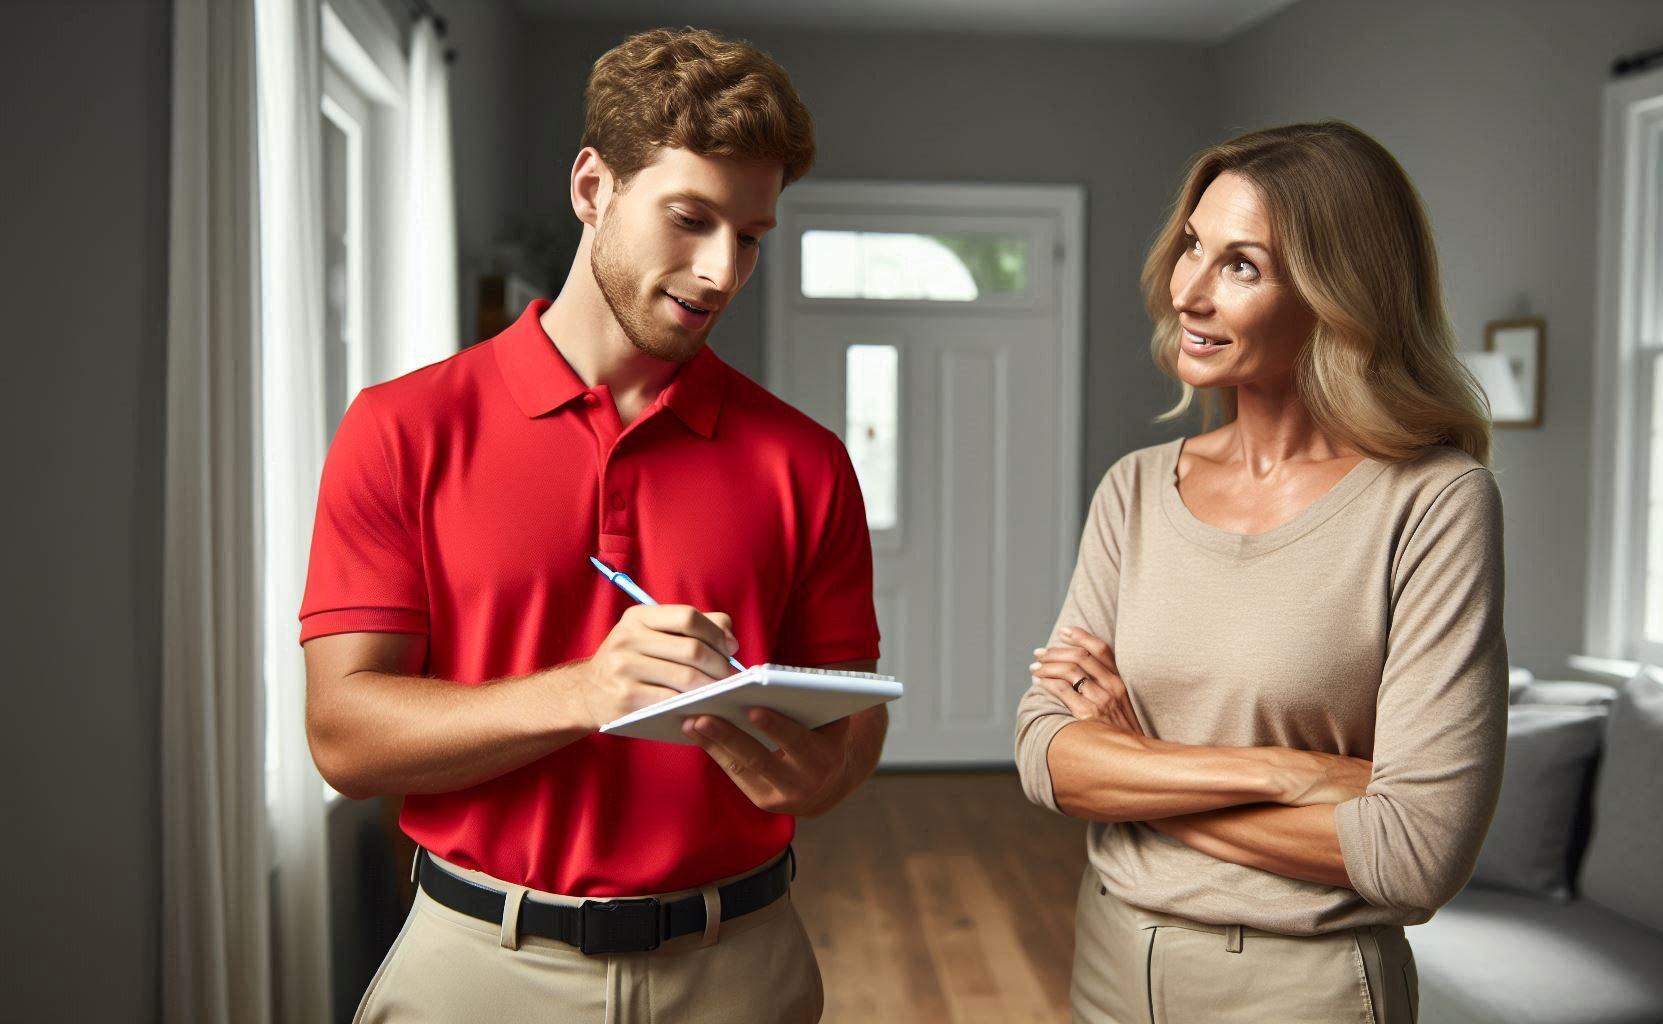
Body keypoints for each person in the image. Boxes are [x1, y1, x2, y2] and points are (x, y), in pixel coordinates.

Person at [301, 27, 883, 1023]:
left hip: (739, 963)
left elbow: (854, 723)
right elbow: (345, 738)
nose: (719, 272)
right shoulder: (400, 429)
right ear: (591, 187)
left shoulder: (805, 460)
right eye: (690, 218)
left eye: (750, 235)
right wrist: (589, 690)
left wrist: (817, 772)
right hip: (477, 966)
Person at [1014, 121, 1507, 1024]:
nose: (1189, 292)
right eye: (1193, 246)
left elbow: (1413, 852)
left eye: (1242, 265)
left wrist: (1139, 773)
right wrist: (1289, 774)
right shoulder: (1133, 490)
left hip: (1303, 987)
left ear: (1335, 296)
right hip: (1112, 961)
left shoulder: (1434, 503)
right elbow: (1048, 757)